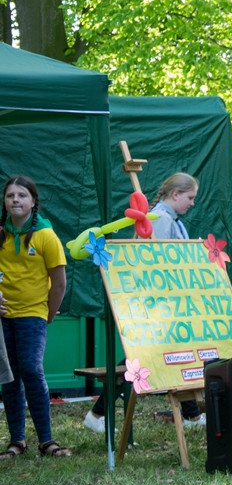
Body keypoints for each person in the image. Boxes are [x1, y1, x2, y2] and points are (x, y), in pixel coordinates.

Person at [83, 172, 204, 433]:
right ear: (175, 194)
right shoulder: (160, 220)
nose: (192, 203)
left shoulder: (167, 219)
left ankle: (192, 415)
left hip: (167, 304)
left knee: (174, 355)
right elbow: (156, 263)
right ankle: (98, 413)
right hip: (159, 305)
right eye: (190, 197)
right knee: (137, 360)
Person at [0, 176, 70, 458]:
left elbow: (60, 282)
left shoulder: (46, 235)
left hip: (33, 314)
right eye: (10, 196)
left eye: (21, 195)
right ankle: (16, 441)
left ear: (33, 202)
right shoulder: (1, 233)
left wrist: (47, 314)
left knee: (31, 369)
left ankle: (47, 441)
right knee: (9, 377)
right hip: (4, 316)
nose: (15, 200)